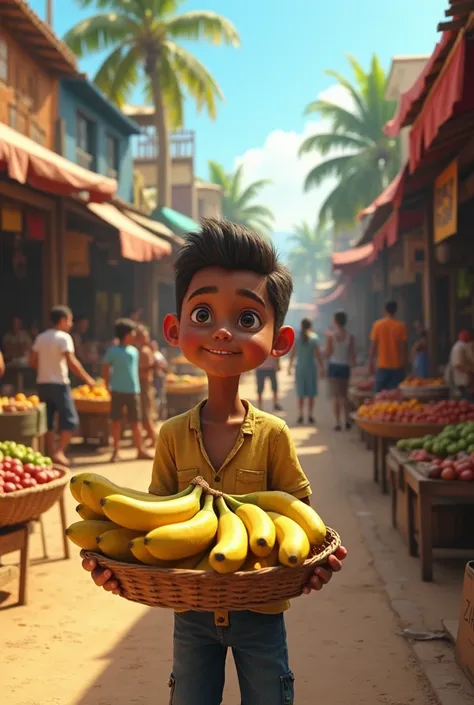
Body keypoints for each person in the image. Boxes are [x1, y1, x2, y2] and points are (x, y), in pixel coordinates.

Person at [82, 219, 347, 705]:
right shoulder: (170, 435)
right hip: (191, 615)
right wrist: (113, 561)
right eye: (202, 313)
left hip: (262, 611)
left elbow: (300, 519)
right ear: (174, 328)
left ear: (279, 340)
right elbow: (153, 522)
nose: (222, 330)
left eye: (247, 319)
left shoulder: (274, 435)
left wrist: (315, 560)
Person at [29, 305, 95, 466]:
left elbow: (32, 361)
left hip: (43, 383)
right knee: (71, 420)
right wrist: (88, 379)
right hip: (59, 384)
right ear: (63, 320)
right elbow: (72, 362)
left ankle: (52, 452)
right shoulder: (64, 338)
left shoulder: (41, 337)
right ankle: (59, 451)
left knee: (48, 420)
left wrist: (46, 369)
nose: (71, 324)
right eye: (70, 321)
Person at [103, 319, 153, 463]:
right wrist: (107, 386)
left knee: (135, 421)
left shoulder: (134, 351)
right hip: (117, 390)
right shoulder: (112, 351)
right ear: (126, 334)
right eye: (132, 332)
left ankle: (140, 450)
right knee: (116, 421)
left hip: (133, 391)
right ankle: (115, 451)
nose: (134, 335)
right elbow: (106, 369)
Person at [288, 318, 325, 425]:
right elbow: (318, 355)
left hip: (300, 368)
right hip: (311, 368)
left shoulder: (297, 338)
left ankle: (300, 415)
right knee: (311, 393)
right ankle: (310, 415)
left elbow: (292, 354)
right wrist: (322, 367)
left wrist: (289, 367)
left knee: (301, 393)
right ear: (310, 326)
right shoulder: (314, 338)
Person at [325, 310, 356, 431]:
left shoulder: (331, 337)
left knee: (335, 396)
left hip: (334, 367)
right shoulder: (350, 336)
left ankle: (338, 422)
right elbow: (352, 355)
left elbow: (328, 352)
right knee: (345, 395)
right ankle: (347, 420)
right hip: (344, 367)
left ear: (335, 321)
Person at [369, 300, 408, 392]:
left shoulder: (377, 325)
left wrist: (370, 362)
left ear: (384, 310)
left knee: (379, 396)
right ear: (396, 311)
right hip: (397, 366)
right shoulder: (401, 326)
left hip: (382, 365)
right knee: (395, 395)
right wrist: (405, 364)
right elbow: (403, 348)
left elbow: (373, 346)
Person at [135, 324, 157, 446]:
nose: (146, 338)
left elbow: (148, 368)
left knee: (145, 413)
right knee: (145, 412)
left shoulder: (145, 351)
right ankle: (151, 436)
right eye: (144, 336)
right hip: (142, 384)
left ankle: (153, 438)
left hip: (144, 384)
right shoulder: (142, 350)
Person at [447, 331, 474, 400]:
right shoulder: (459, 347)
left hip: (469, 381)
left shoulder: (467, 346)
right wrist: (470, 373)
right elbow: (458, 365)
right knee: (467, 401)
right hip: (464, 382)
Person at [151, 340, 169, 420]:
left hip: (159, 378)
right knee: (159, 397)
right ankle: (159, 415)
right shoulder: (155, 355)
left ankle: (160, 416)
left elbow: (164, 366)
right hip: (157, 378)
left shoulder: (157, 355)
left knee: (160, 397)